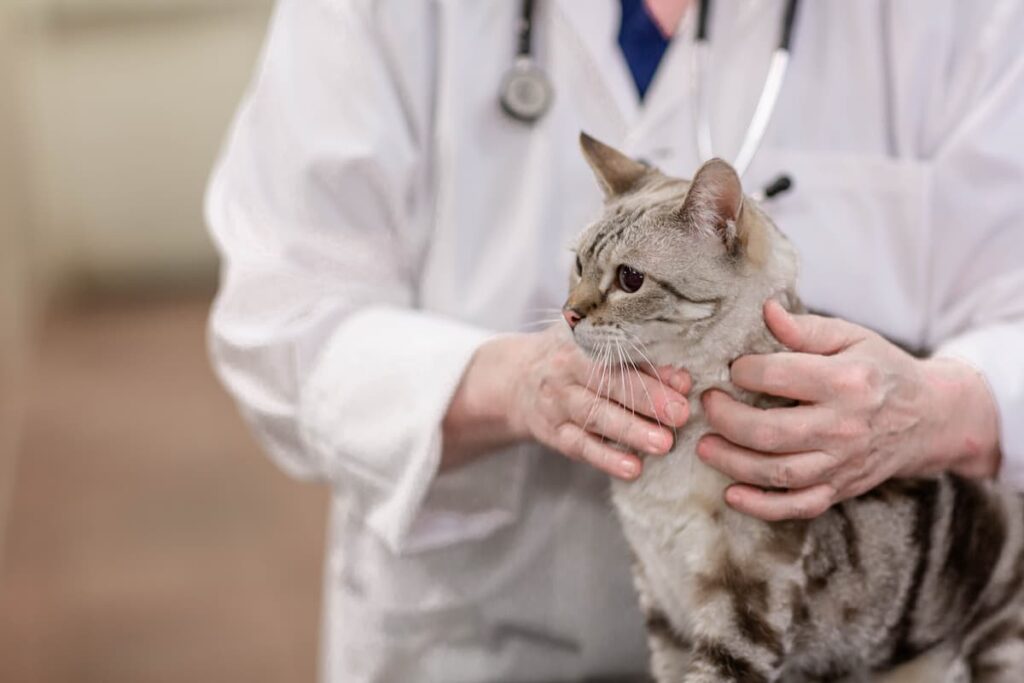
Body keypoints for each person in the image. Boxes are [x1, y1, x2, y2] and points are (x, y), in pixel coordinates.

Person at [205, 1, 1024, 680]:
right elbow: (277, 315)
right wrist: (510, 384)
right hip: (469, 635)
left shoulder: (960, 19)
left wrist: (946, 403)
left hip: (836, 645)